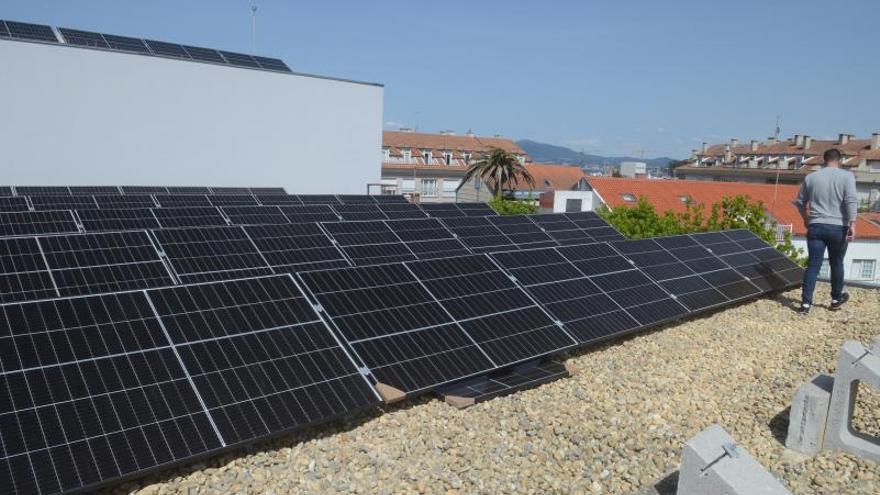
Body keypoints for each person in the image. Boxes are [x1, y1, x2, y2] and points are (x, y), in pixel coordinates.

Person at [794, 148, 858, 315]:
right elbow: (851, 200)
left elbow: (799, 202)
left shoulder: (811, 177)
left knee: (813, 265)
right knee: (836, 262)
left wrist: (806, 219)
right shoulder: (847, 176)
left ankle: (806, 304)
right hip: (838, 226)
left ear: (824, 160)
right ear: (840, 160)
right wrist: (852, 223)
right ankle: (836, 299)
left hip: (816, 226)